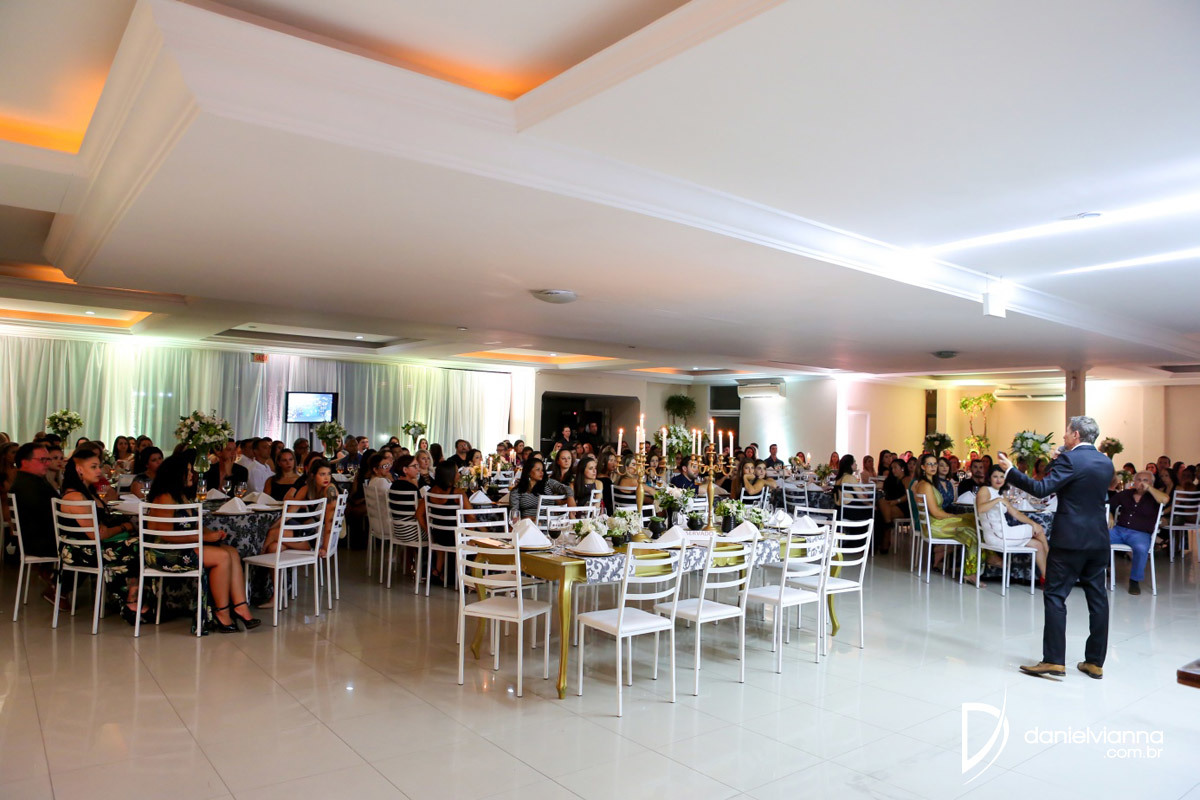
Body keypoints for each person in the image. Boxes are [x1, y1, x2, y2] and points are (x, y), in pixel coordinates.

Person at [1000, 415, 1113, 679]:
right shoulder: (1106, 462)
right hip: (1098, 539)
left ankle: (1053, 660)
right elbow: (1079, 485)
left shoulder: (1070, 460)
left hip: (1070, 540)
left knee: (1054, 595)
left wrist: (1011, 472)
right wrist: (1057, 460)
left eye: (1066, 432)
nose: (1063, 435)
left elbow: (1042, 489)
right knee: (1098, 599)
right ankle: (1095, 662)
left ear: (1076, 435)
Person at [145, 453, 260, 632]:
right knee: (222, 557)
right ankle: (221, 613)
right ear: (177, 474)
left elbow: (195, 526)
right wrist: (203, 538)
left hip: (183, 546)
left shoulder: (183, 496)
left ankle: (240, 607)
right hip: (164, 552)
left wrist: (212, 534)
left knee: (231, 552)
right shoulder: (164, 498)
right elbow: (167, 535)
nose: (192, 475)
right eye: (188, 471)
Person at [58, 447, 146, 623]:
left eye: (99, 466)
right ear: (79, 469)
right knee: (141, 545)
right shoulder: (75, 497)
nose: (99, 471)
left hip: (92, 546)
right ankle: (131, 599)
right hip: (81, 551)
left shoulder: (88, 491)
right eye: (94, 467)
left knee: (143, 541)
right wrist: (124, 527)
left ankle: (130, 596)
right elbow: (97, 534)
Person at [913, 453, 983, 586]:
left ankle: (977, 565)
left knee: (972, 519)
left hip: (936, 522)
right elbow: (936, 513)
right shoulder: (925, 485)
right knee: (972, 531)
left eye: (935, 464)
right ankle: (970, 572)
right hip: (934, 525)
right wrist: (955, 517)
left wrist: (958, 517)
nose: (933, 467)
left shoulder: (930, 483)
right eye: (929, 464)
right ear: (923, 467)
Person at [976, 465, 1049, 579]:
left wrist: (1033, 523)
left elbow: (1015, 513)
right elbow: (980, 509)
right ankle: (1052, 566)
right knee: (1039, 530)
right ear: (989, 478)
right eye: (995, 476)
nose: (999, 480)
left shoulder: (1000, 493)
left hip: (1004, 533)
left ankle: (1046, 577)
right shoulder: (985, 489)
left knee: (1038, 545)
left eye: (1002, 477)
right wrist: (997, 500)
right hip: (997, 536)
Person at [10, 443, 60, 602]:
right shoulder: (28, 485)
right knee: (89, 546)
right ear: (25, 462)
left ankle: (58, 584)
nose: (47, 463)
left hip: (36, 538)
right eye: (42, 460)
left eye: (48, 459)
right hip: (40, 542)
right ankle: (60, 587)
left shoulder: (32, 480)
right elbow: (52, 512)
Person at [1108, 471, 1169, 595]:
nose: (1141, 483)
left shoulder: (1155, 497)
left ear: (1151, 483)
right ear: (1134, 482)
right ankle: (1098, 572)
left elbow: (1165, 499)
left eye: (1145, 480)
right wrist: (1110, 515)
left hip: (1140, 533)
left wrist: (1149, 489)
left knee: (1141, 548)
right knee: (1097, 538)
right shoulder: (1125, 494)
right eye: (1139, 480)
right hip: (1119, 530)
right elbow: (1107, 505)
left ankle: (1134, 581)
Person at [508, 456, 570, 521]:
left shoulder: (548, 483)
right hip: (529, 524)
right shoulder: (517, 491)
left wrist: (570, 498)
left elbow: (567, 489)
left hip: (549, 523)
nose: (541, 472)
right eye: (538, 469)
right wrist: (526, 519)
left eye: (542, 470)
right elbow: (514, 517)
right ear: (528, 472)